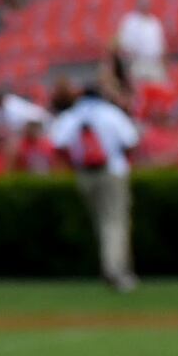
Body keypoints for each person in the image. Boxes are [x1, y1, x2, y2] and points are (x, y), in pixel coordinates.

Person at [44, 77, 142, 290]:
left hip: (85, 175)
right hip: (112, 170)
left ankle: (114, 266)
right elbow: (131, 141)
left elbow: (58, 145)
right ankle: (115, 270)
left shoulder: (72, 115)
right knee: (114, 222)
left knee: (101, 222)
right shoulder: (111, 113)